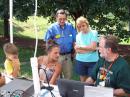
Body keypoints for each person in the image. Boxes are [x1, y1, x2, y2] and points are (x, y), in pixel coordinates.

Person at [44, 9, 77, 79]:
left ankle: (66, 89)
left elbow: (75, 40)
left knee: (68, 77)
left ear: (66, 18)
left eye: (64, 19)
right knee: (55, 77)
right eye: (60, 19)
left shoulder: (70, 26)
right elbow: (48, 43)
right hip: (56, 57)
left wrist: (75, 52)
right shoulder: (51, 28)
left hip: (67, 56)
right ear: (56, 18)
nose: (62, 21)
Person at [74, 16, 99, 82]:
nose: (82, 28)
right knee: (82, 81)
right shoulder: (78, 35)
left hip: (92, 61)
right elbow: (77, 50)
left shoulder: (94, 33)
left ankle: (91, 92)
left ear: (87, 24)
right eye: (79, 26)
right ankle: (83, 92)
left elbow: (93, 47)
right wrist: (90, 50)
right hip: (80, 60)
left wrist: (80, 47)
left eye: (83, 25)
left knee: (92, 80)